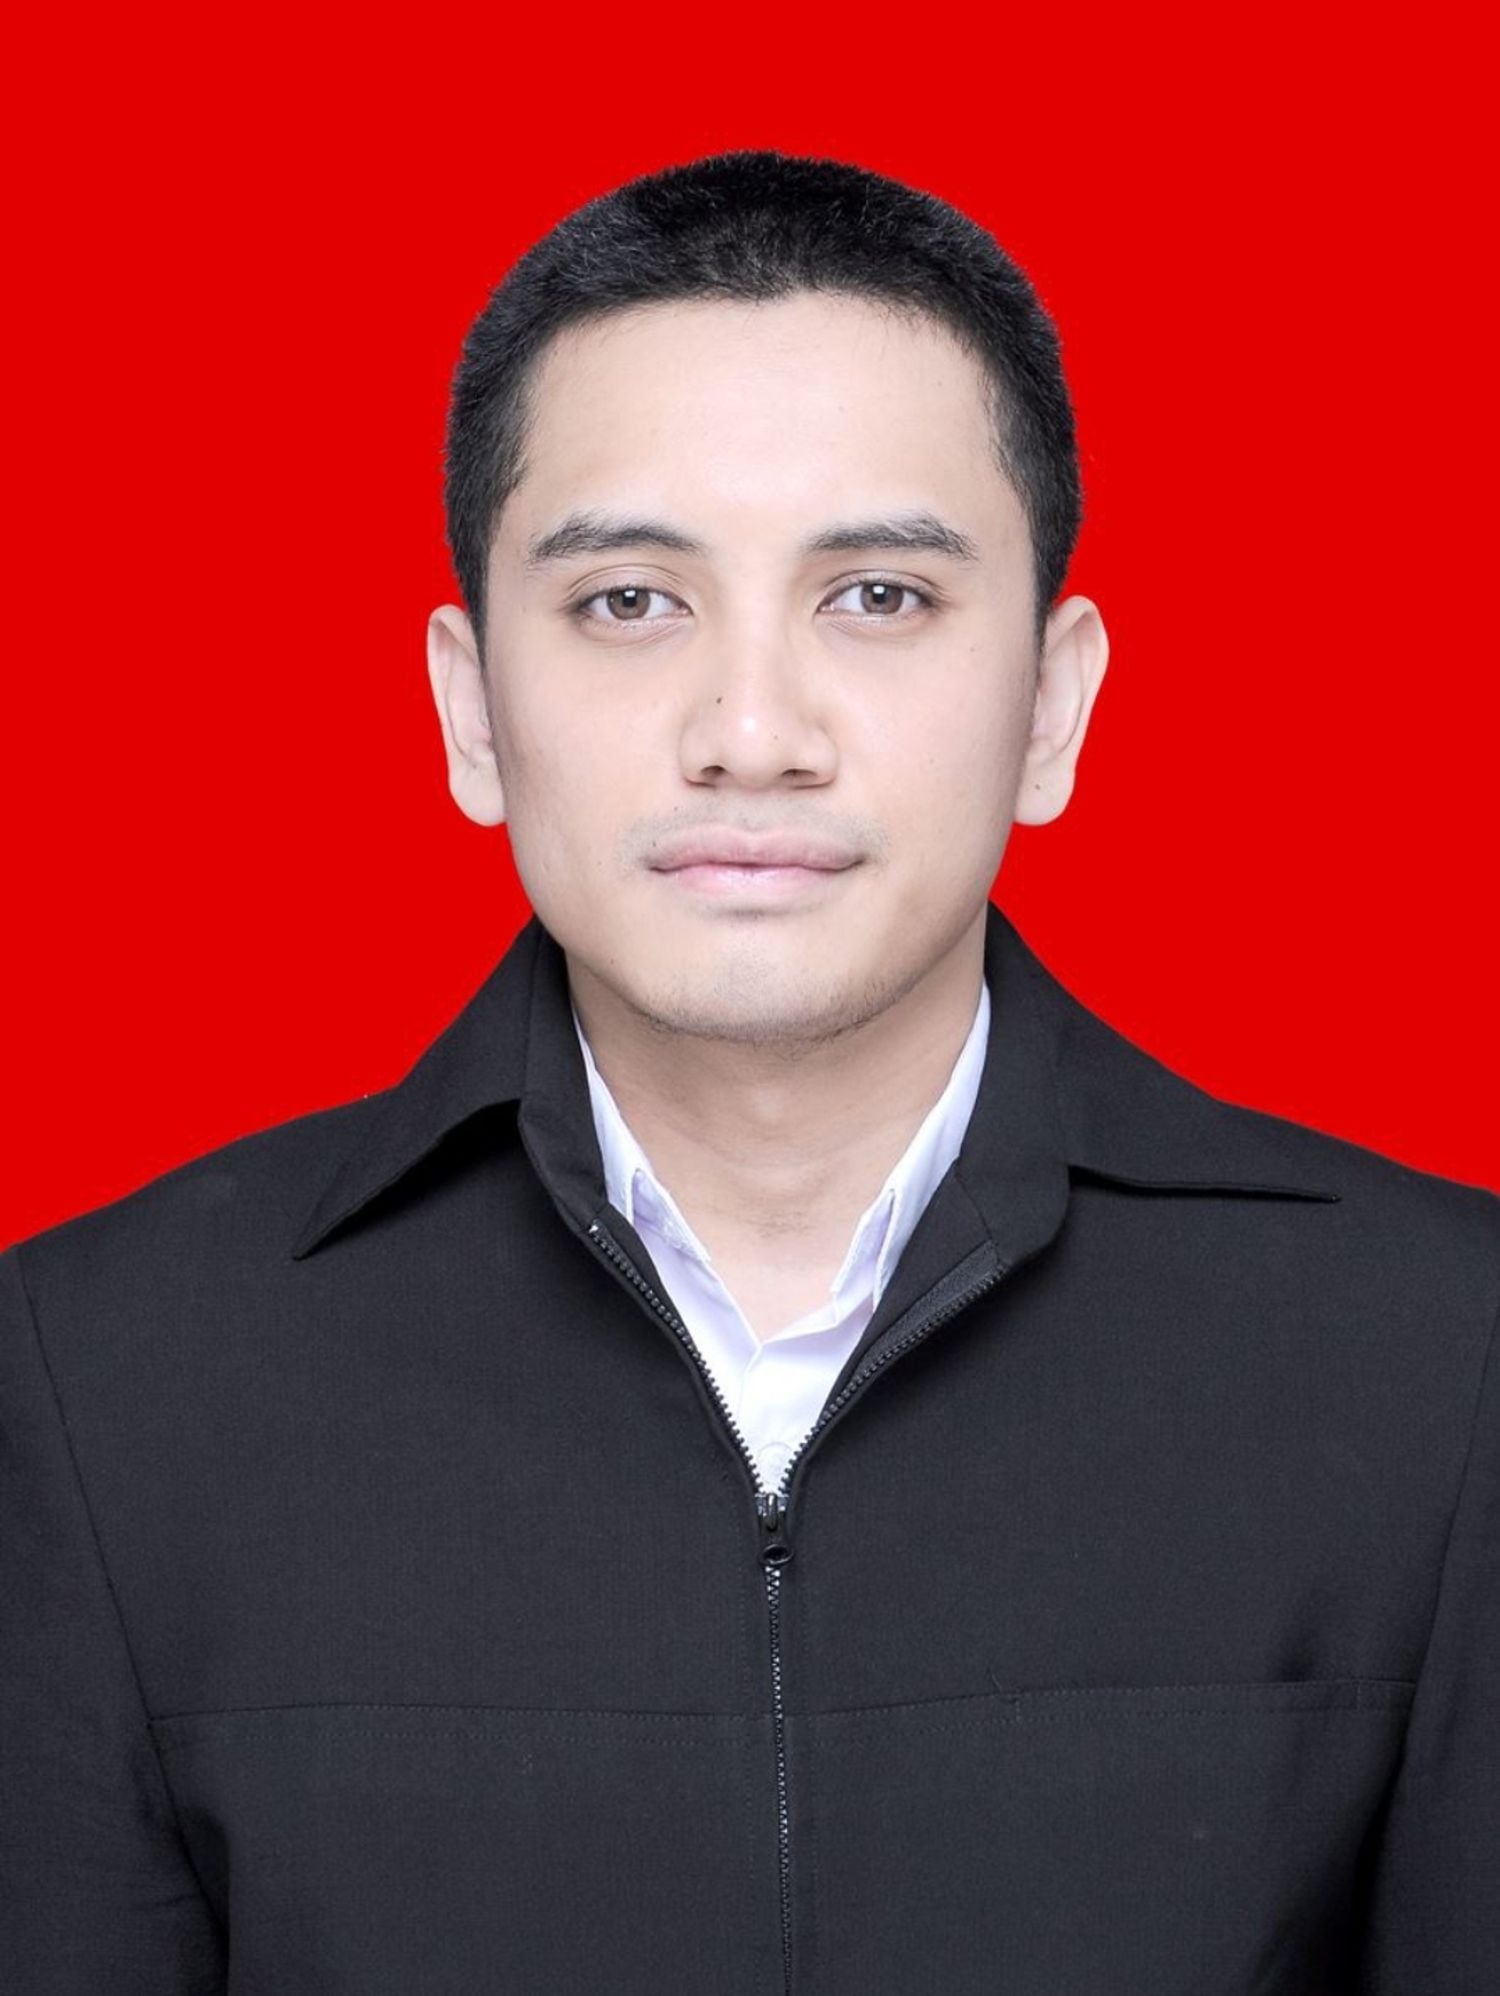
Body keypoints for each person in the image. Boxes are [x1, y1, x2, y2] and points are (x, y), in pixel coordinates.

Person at [2, 148, 1495, 1996]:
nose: (753, 732)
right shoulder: (99, 1379)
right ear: (472, 709)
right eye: (632, 601)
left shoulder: (1445, 1359)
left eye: (878, 595)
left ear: (1054, 701)